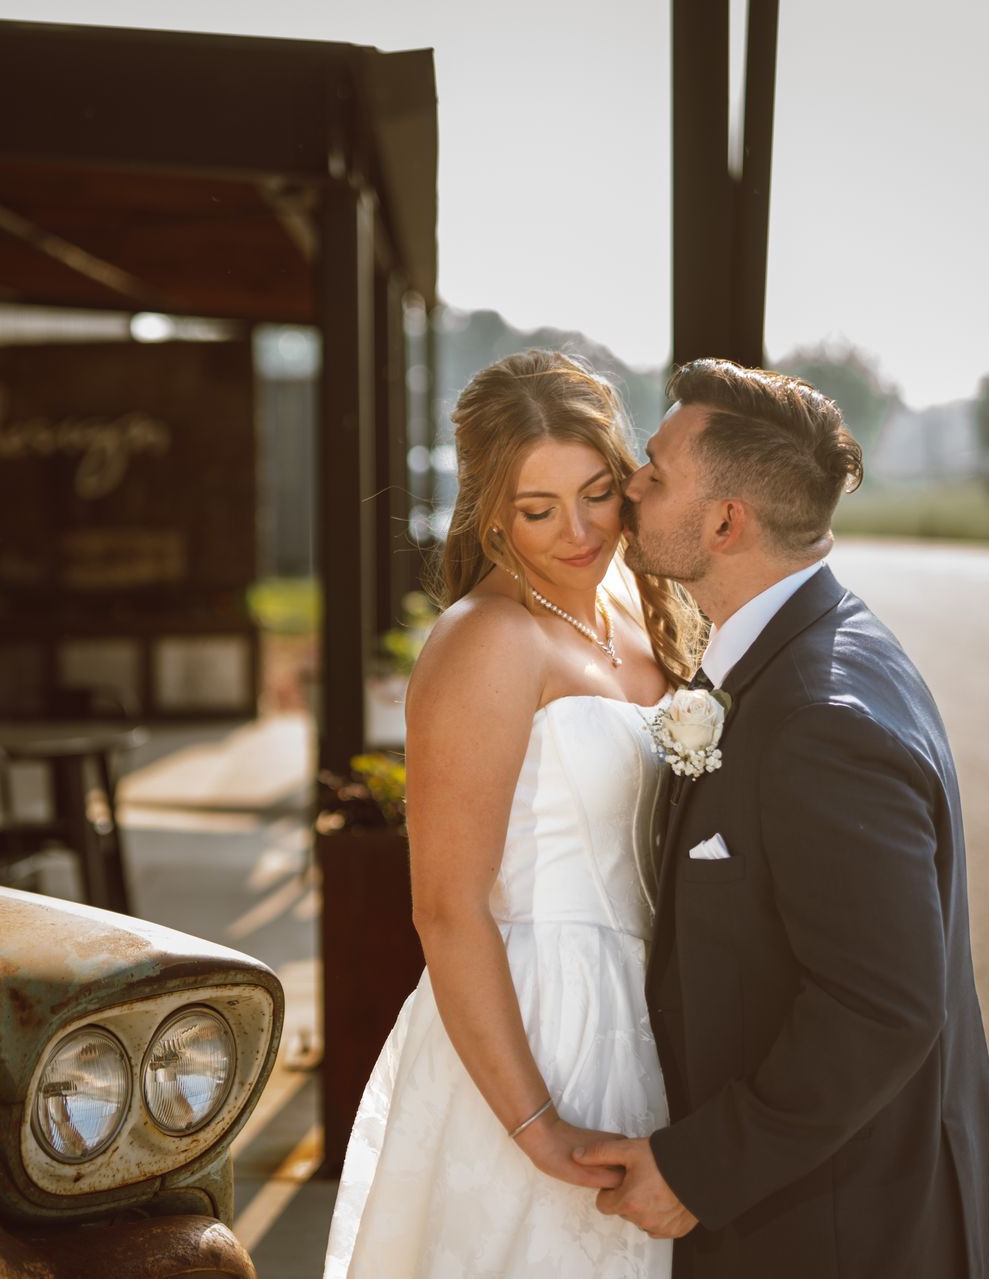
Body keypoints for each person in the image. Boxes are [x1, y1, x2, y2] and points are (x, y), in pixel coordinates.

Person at [573, 359, 989, 1278]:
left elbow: (882, 1003)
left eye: (656, 472)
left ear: (727, 522)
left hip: (842, 1232)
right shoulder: (819, 641)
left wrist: (701, 1171)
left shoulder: (821, 718)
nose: (630, 484)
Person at [323, 350, 706, 1278]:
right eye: (538, 510)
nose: (578, 531)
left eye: (597, 492)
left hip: (652, 1008)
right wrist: (535, 1126)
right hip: (538, 1024)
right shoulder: (484, 643)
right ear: (491, 510)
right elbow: (446, 907)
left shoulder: (640, 610)